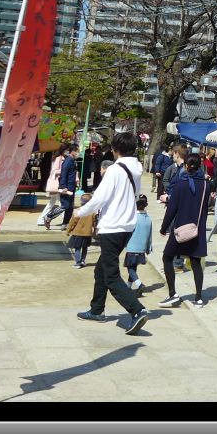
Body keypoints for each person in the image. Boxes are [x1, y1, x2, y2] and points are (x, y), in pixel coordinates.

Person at [73, 132, 150, 336]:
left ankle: (137, 310)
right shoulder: (135, 169)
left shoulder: (115, 170)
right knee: (101, 269)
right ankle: (96, 309)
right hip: (126, 226)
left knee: (111, 274)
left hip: (113, 226)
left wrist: (80, 212)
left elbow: (100, 198)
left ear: (115, 150)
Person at [159, 152, 210, 309]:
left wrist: (163, 227)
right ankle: (199, 297)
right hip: (197, 229)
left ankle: (173, 293)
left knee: (167, 257)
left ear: (187, 166)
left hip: (181, 229)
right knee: (195, 262)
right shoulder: (206, 185)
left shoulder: (181, 184)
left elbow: (172, 209)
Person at [124, 194, 153, 290]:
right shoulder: (148, 219)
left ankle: (140, 284)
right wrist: (148, 248)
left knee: (130, 268)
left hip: (132, 247)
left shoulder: (133, 218)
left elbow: (127, 232)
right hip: (142, 249)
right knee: (133, 267)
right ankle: (128, 286)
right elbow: (150, 235)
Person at [66, 194, 95, 267]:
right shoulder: (93, 212)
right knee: (85, 248)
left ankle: (78, 263)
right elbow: (95, 222)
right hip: (87, 233)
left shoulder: (78, 210)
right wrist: (94, 231)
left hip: (78, 233)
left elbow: (72, 222)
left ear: (81, 201)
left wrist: (68, 231)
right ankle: (83, 261)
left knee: (77, 248)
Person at [40, 148, 65, 230]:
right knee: (62, 203)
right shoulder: (59, 158)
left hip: (55, 183)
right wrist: (65, 171)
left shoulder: (56, 157)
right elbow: (55, 170)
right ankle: (65, 221)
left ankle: (41, 219)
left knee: (52, 203)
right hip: (57, 184)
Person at [58, 144, 79, 228]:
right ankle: (48, 217)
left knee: (70, 207)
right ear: (73, 151)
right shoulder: (68, 161)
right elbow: (63, 174)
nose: (78, 153)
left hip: (71, 186)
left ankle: (65, 223)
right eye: (77, 151)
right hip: (66, 187)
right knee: (65, 206)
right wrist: (63, 186)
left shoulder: (72, 160)